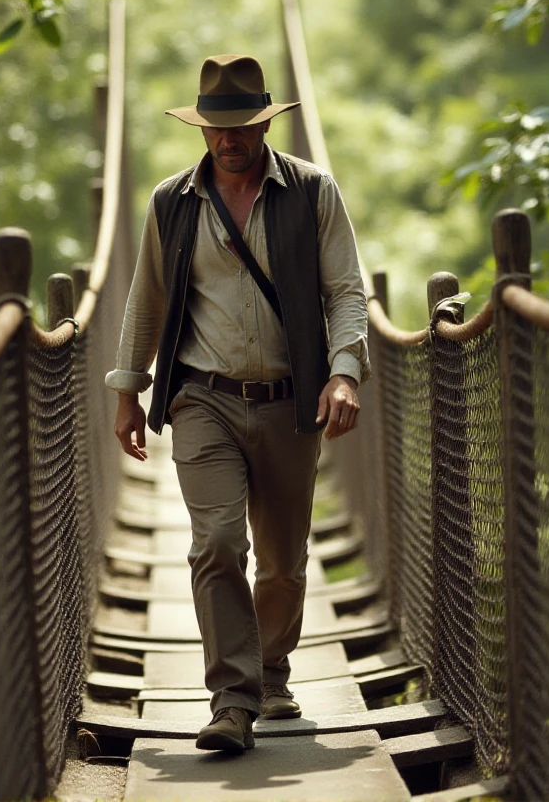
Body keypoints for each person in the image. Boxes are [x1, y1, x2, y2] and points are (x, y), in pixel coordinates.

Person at [105, 54, 369, 752]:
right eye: (218, 127)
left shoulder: (312, 191)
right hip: (203, 398)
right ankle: (231, 698)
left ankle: (272, 667)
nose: (231, 139)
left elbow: (346, 290)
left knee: (282, 562)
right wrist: (128, 388)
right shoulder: (171, 202)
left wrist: (345, 372)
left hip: (290, 402)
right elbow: (146, 299)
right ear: (201, 128)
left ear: (264, 124)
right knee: (216, 543)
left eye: (244, 126)